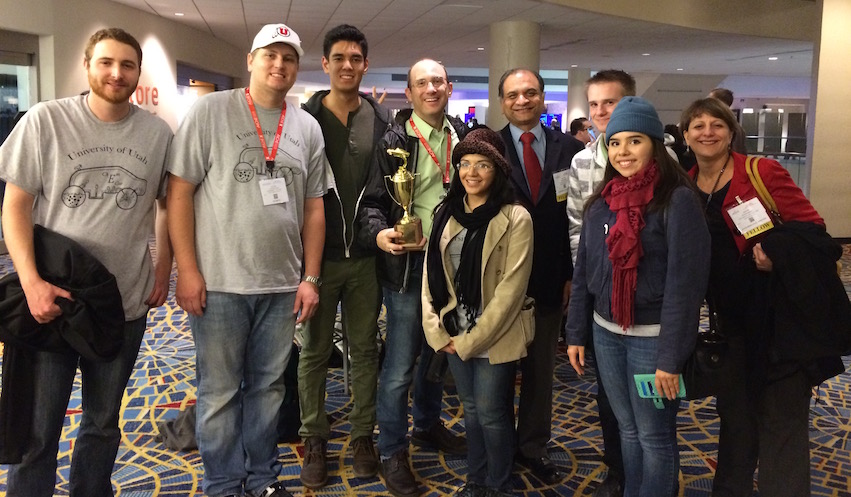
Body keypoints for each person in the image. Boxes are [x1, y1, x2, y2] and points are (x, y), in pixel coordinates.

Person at [0, 28, 173, 496]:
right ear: (87, 64)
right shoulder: (45, 120)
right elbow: (15, 206)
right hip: (54, 296)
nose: (117, 73)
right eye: (106, 62)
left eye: (128, 65)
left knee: (102, 421)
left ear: (138, 73)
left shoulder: (157, 134)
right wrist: (31, 281)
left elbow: (166, 206)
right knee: (40, 428)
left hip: (122, 301)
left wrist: (163, 270)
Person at [167, 23, 327, 497]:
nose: (279, 65)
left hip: (281, 287)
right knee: (218, 394)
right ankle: (222, 483)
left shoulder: (306, 126)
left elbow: (315, 207)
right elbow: (179, 194)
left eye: (289, 58)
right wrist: (187, 271)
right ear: (250, 60)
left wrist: (310, 277)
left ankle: (262, 480)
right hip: (219, 284)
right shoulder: (210, 111)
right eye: (270, 55)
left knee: (268, 391)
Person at [682, 97, 845, 497]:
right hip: (729, 324)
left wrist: (778, 256)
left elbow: (816, 233)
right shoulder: (685, 183)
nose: (707, 132)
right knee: (736, 420)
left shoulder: (760, 171)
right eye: (698, 125)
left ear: (731, 131)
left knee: (781, 422)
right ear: (685, 134)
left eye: (716, 124)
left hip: (777, 323)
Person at [565, 97, 710, 497]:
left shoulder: (676, 200)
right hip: (606, 333)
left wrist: (671, 358)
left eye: (634, 141)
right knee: (626, 429)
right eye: (615, 143)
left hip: (654, 340)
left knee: (654, 435)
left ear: (654, 146)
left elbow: (686, 286)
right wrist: (576, 332)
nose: (623, 152)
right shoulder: (603, 202)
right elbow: (584, 273)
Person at [359, 58, 468, 497]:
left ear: (449, 87)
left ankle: (426, 425)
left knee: (436, 357)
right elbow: (370, 204)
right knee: (401, 365)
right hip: (407, 267)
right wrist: (381, 233)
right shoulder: (391, 141)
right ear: (409, 93)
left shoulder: (463, 136)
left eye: (437, 81)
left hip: (452, 264)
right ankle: (391, 450)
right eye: (421, 83)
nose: (430, 88)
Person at [298, 24, 391, 488]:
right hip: (317, 259)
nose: (348, 65)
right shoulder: (304, 120)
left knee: (365, 350)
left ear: (365, 65)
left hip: (365, 261)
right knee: (313, 351)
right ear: (326, 64)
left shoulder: (382, 121)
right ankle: (314, 435)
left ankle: (361, 436)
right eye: (339, 58)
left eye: (356, 58)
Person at [422, 127, 534, 497]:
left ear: (497, 170)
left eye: (482, 164)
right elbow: (430, 279)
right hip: (454, 332)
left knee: (491, 412)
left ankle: (499, 484)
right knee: (470, 410)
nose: (471, 172)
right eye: (464, 163)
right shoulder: (445, 213)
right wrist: (438, 334)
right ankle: (476, 480)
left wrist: (469, 341)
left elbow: (511, 292)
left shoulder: (516, 217)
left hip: (493, 334)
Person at [497, 68, 583, 485]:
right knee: (496, 372)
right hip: (498, 282)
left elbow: (576, 217)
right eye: (513, 94)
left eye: (530, 92)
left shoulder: (571, 150)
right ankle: (497, 449)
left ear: (543, 97)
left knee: (539, 371)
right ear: (502, 102)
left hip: (551, 277)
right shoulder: (489, 146)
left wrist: (571, 275)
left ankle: (532, 446)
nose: (522, 100)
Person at [564, 69, 636, 497]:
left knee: (649, 399)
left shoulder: (659, 156)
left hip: (647, 301)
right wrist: (589, 284)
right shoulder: (581, 161)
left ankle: (648, 475)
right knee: (608, 393)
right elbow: (576, 228)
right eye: (593, 104)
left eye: (609, 102)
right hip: (601, 299)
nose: (600, 112)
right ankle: (617, 471)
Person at [707, 88, 747, 154]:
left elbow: (736, 152)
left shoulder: (729, 126)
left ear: (718, 102)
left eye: (710, 100)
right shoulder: (736, 126)